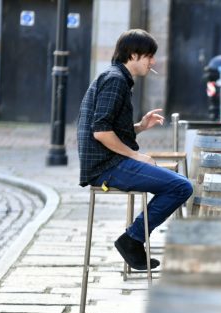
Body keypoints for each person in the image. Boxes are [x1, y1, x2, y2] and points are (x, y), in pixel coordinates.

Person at [77, 29, 193, 270]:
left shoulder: (115, 78)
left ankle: (133, 238)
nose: (153, 62)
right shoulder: (115, 81)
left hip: (109, 163)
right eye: (149, 56)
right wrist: (135, 155)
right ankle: (132, 239)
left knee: (179, 183)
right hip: (107, 167)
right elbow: (100, 132)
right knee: (181, 186)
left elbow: (106, 128)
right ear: (133, 55)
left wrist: (139, 127)